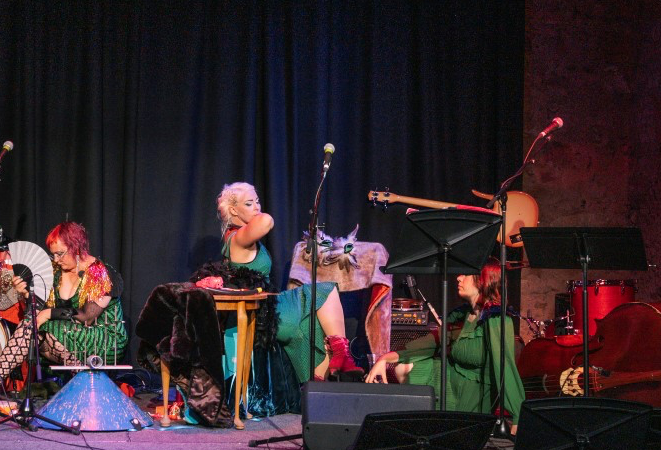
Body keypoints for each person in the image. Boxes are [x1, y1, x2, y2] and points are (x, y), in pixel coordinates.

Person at [217, 182, 356, 385]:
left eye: (257, 201)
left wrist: (249, 205)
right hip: (264, 312)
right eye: (249, 203)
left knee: (315, 326)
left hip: (268, 308)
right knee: (325, 290)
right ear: (233, 210)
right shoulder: (238, 238)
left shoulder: (239, 236)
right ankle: (343, 354)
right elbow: (266, 221)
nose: (257, 207)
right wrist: (257, 213)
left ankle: (317, 385)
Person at [365, 260, 526, 428]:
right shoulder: (461, 316)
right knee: (403, 367)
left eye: (466, 274)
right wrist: (384, 359)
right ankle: (424, 426)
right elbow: (428, 343)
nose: (459, 278)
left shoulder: (496, 319)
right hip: (451, 378)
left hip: (473, 391)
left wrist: (517, 414)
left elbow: (505, 367)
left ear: (483, 280)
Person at [0, 221, 126, 391]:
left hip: (103, 336)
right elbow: (38, 309)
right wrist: (26, 295)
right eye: (54, 255)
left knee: (42, 325)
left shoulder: (100, 272)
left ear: (77, 247)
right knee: (31, 328)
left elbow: (87, 316)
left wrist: (47, 314)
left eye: (60, 254)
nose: (57, 260)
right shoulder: (56, 272)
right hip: (70, 332)